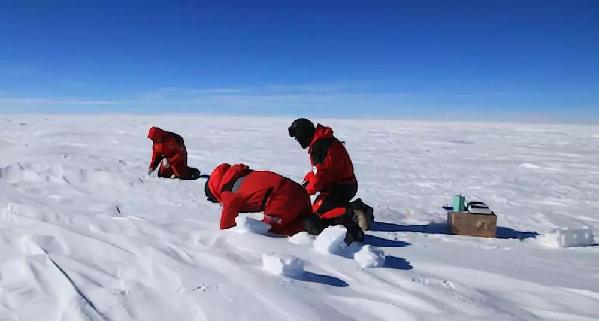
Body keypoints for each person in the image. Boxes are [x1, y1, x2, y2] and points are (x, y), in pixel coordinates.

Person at [288, 118, 374, 241]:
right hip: (346, 184)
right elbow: (319, 171)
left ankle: (352, 214)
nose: (298, 141)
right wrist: (306, 182)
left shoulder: (319, 147)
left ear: (304, 134)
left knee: (317, 217)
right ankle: (360, 208)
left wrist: (305, 191)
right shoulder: (323, 140)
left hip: (339, 187)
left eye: (298, 137)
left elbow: (319, 177)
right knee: (318, 208)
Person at [204, 163, 312, 236]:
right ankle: (312, 221)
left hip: (281, 199)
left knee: (269, 231)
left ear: (214, 191)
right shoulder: (241, 174)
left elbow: (226, 226)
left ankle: (305, 226)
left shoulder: (227, 191)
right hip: (299, 192)